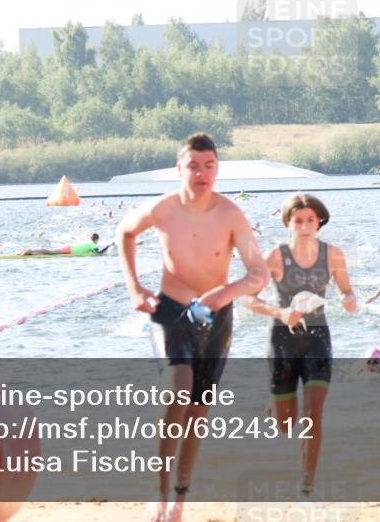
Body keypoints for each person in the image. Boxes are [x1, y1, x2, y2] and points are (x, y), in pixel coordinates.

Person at [117, 132, 268, 522]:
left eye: (209, 166)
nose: (202, 174)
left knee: (198, 411)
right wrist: (134, 287)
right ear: (179, 169)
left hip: (217, 318)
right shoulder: (163, 208)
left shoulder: (231, 215)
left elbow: (259, 273)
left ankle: (180, 499)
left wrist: (228, 291)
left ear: (217, 169)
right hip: (171, 311)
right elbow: (126, 232)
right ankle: (159, 490)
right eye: (194, 166)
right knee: (177, 393)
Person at [243, 193, 357, 496]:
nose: (304, 226)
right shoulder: (275, 256)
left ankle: (307, 482)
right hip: (281, 340)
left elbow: (346, 290)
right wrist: (279, 312)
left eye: (310, 220)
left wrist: (348, 299)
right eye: (298, 221)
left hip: (318, 340)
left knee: (313, 412)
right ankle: (275, 402)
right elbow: (248, 298)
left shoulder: (333, 255)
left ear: (319, 222)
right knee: (285, 424)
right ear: (287, 224)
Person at [17, 232, 112, 256]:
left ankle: (31, 253)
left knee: (50, 252)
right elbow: (99, 253)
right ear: (96, 239)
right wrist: (108, 246)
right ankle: (30, 251)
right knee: (51, 252)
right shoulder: (92, 244)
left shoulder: (89, 242)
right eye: (98, 240)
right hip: (69, 249)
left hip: (69, 248)